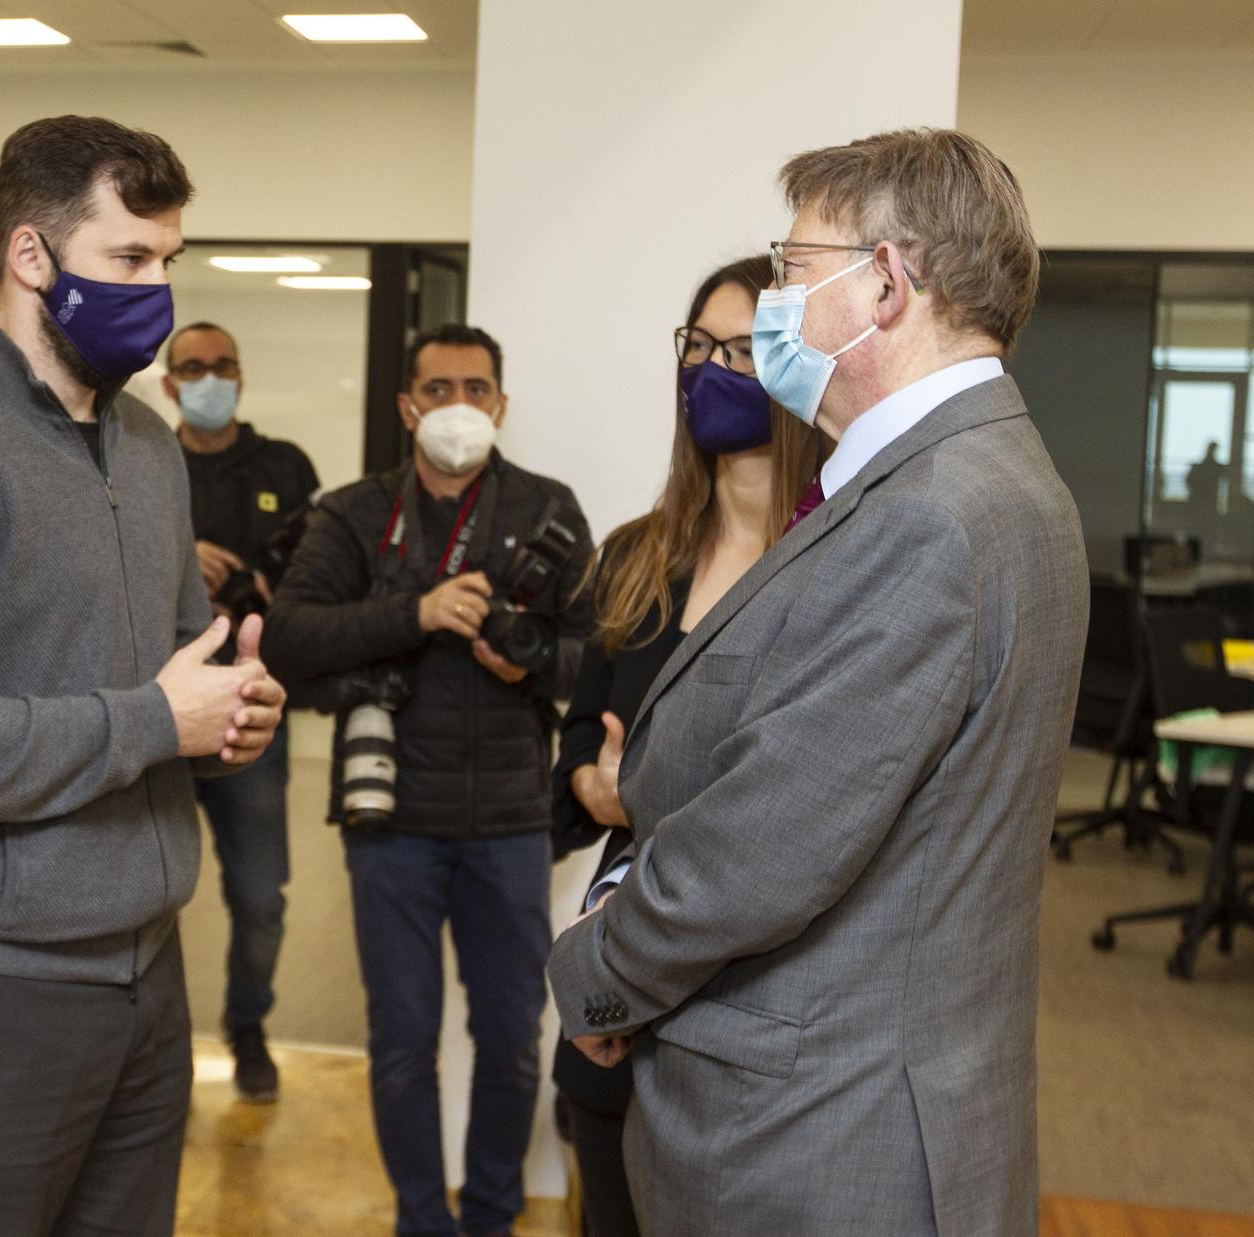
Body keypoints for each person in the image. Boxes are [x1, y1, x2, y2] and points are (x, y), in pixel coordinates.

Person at [547, 128, 1089, 1236]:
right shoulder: (969, 475)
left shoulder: (929, 515)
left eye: (793, 272)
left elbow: (759, 851)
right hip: (865, 1102)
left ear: (885, 284)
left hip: (810, 1139)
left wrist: (595, 968)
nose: (776, 307)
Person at [0, 115, 286, 1237]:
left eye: (166, 261)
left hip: (143, 965)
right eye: (127, 260)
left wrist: (232, 711)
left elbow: (178, 672)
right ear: (29, 257)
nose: (156, 291)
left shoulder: (144, 441)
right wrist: (149, 719)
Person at [264, 324, 593, 1237]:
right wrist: (415, 610)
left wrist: (531, 663)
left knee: (511, 1040)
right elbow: (291, 639)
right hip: (391, 822)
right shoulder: (355, 514)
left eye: (476, 388)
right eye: (438, 388)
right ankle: (421, 1219)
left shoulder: (547, 510)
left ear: (501, 403)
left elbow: (601, 660)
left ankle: (489, 1214)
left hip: (511, 823)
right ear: (408, 404)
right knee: (403, 1041)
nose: (458, 405)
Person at [547, 255, 822, 1237]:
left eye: (743, 349)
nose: (710, 368)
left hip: (751, 998)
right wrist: (593, 778)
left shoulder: (833, 558)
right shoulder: (634, 555)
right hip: (616, 982)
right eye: (698, 345)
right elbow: (581, 738)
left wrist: (659, 794)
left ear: (798, 367)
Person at [162, 319, 321, 1102]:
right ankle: (156, 1051)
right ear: (168, 385)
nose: (210, 377)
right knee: (148, 888)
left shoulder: (286, 467)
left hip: (250, 711)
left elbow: (317, 577)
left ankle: (248, 1024)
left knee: (260, 896)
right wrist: (177, 555)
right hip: (154, 713)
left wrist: (259, 581)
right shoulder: (140, 459)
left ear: (242, 375)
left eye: (224, 364)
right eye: (193, 367)